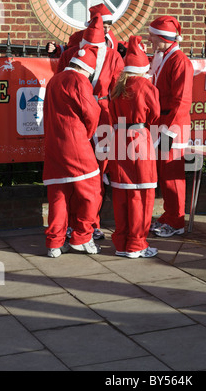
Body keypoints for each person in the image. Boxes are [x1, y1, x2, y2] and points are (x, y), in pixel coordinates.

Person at [56, 12, 124, 241]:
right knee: (75, 173)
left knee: (99, 172)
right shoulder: (71, 55)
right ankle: (72, 222)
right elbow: (61, 83)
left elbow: (118, 92)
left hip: (104, 118)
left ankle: (92, 222)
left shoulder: (114, 57)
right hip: (75, 119)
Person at [43, 45, 102, 258]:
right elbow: (92, 112)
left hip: (53, 145)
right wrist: (86, 135)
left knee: (58, 194)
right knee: (91, 191)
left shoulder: (55, 80)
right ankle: (82, 237)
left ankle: (54, 243)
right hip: (75, 144)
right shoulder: (79, 80)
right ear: (89, 70)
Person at [108, 35, 160, 258]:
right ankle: (137, 244)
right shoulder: (145, 85)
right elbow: (155, 114)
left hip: (119, 137)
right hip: (139, 137)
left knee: (122, 192)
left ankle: (121, 244)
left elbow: (110, 114)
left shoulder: (117, 87)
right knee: (143, 193)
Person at [147, 16, 194, 238]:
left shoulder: (179, 61)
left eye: (152, 36)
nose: (149, 39)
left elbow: (182, 101)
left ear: (162, 37)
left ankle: (176, 221)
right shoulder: (162, 57)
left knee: (172, 175)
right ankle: (169, 215)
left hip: (173, 126)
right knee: (164, 173)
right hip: (163, 123)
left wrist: (169, 132)